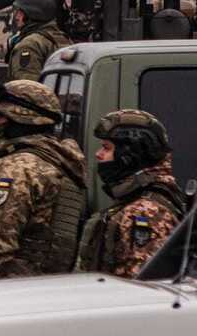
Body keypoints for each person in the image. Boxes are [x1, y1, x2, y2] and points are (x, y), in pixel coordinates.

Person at [0, 80, 87, 283]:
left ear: (22, 118)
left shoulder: (18, 168)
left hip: (8, 287)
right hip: (44, 285)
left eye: (2, 116)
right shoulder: (59, 160)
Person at [76, 110, 185, 278]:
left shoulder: (144, 212)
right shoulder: (138, 198)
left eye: (106, 148)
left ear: (130, 155)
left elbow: (140, 285)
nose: (98, 154)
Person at [4, 0, 73, 81]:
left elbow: (27, 86)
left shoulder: (30, 45)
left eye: (20, 12)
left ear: (32, 14)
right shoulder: (64, 40)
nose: (16, 17)